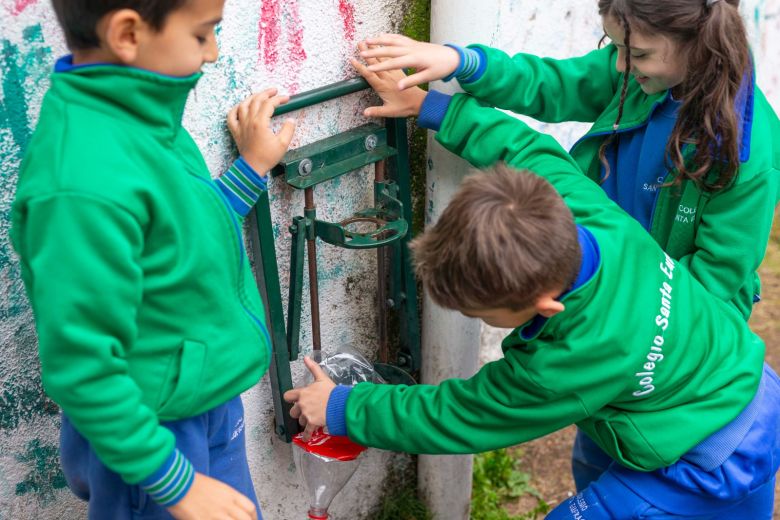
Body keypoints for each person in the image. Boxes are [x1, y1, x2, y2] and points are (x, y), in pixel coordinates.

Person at [283, 54, 780, 519]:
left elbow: (465, 414)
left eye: (484, 315)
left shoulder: (566, 362)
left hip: (708, 457)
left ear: (545, 304)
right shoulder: (582, 212)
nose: (480, 322)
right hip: (743, 383)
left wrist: (344, 407)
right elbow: (525, 149)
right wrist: (433, 107)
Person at [10, 1, 296, 518]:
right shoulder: (80, 184)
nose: (212, 54)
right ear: (127, 33)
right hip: (151, 439)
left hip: (201, 402)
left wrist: (250, 169)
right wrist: (178, 485)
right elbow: (83, 367)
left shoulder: (145, 118)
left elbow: (180, 236)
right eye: (203, 33)